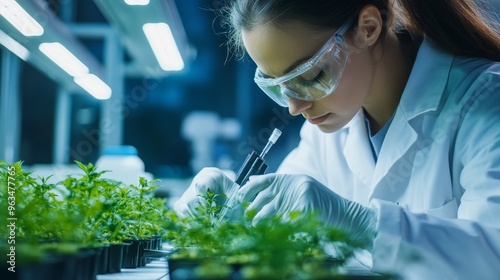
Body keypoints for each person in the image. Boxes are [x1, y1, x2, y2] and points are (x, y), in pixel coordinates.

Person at [175, 0, 500, 278]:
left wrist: (360, 224)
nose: (295, 107)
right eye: (279, 86)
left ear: (368, 28)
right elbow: (276, 222)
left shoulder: (485, 103)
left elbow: (492, 260)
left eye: (310, 76)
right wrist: (232, 207)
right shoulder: (326, 133)